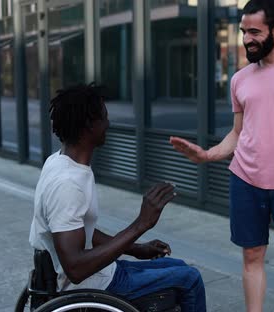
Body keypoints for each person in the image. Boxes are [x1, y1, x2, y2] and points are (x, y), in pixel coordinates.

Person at [170, 1, 274, 311]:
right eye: (243, 31)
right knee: (251, 255)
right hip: (245, 180)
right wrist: (207, 154)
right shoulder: (239, 79)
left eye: (254, 32)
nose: (246, 39)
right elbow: (238, 133)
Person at [29, 83, 206, 312]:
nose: (108, 124)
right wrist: (141, 224)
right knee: (190, 279)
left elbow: (83, 231)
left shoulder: (59, 161)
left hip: (101, 274)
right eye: (104, 117)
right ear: (88, 126)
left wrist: (136, 248)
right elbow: (75, 268)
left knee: (178, 266)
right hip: (93, 285)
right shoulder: (68, 185)